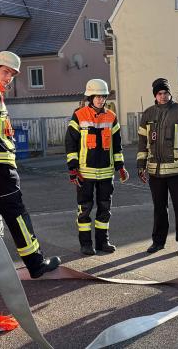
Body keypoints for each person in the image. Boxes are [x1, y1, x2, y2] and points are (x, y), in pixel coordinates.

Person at [0, 51, 60, 278]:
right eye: (5, 72)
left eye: (11, 75)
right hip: (1, 170)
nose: (8, 78)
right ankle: (36, 264)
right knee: (17, 215)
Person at [137, 78, 178, 254]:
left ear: (170, 93)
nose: (163, 96)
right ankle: (158, 242)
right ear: (155, 95)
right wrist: (140, 165)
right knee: (159, 208)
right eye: (160, 93)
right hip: (155, 171)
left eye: (166, 93)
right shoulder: (148, 114)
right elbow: (142, 143)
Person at [66, 79, 129, 256]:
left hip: (107, 173)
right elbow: (70, 144)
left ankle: (103, 242)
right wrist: (72, 169)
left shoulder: (111, 117)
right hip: (84, 173)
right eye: (97, 97)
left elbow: (117, 146)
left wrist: (121, 167)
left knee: (105, 208)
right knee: (84, 209)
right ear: (90, 97)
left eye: (103, 96)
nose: (100, 100)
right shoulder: (79, 115)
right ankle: (86, 244)